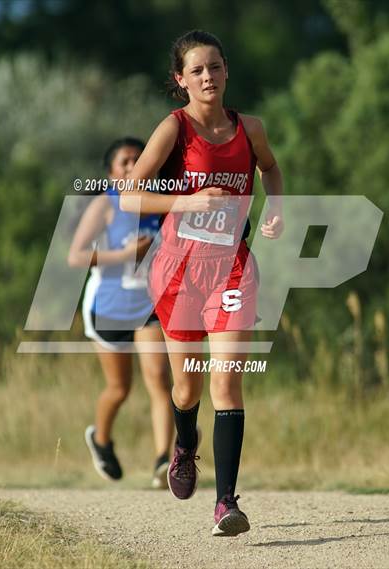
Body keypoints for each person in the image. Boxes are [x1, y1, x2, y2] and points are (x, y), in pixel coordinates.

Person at [120, 30, 284, 536]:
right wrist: (186, 201)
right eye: (197, 70)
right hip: (180, 271)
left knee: (226, 384)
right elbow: (129, 197)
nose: (208, 77)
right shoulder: (173, 129)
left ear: (227, 70)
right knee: (187, 387)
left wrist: (275, 205)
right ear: (181, 80)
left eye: (215, 67)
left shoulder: (250, 129)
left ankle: (226, 504)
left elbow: (271, 169)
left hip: (232, 268)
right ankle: (185, 445)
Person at [68, 137, 174, 489]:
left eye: (139, 160)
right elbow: (77, 256)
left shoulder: (161, 203)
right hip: (109, 306)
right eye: (125, 162)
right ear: (112, 172)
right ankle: (101, 439)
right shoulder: (105, 204)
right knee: (119, 388)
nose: (133, 167)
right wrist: (125, 254)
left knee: (159, 380)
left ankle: (164, 461)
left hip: (149, 305)